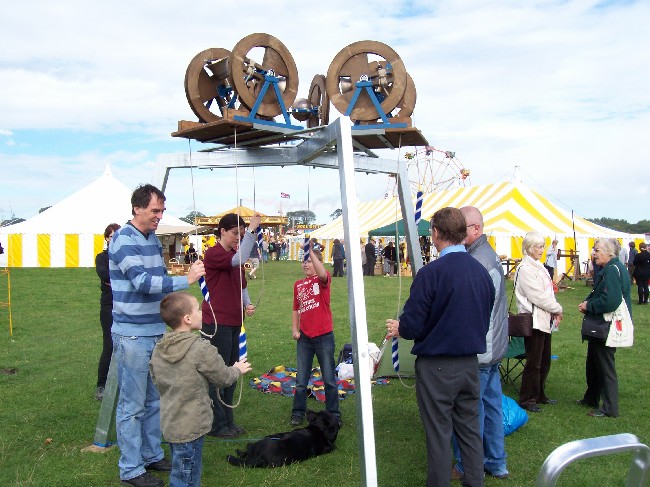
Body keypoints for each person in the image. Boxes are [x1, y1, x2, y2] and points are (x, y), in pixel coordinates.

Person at [385, 207, 495, 487]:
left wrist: (402, 328)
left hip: (438, 366)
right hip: (470, 363)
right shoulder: (481, 272)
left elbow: (412, 324)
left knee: (439, 435)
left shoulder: (431, 273)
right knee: (470, 432)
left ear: (436, 233)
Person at [109, 184, 205, 487]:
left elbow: (159, 279)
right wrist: (185, 281)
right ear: (137, 208)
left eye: (162, 210)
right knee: (132, 405)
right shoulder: (123, 239)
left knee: (154, 400)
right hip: (132, 336)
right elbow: (142, 282)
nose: (159, 216)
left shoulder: (150, 239)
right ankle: (131, 468)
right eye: (155, 211)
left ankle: (151, 454)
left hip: (153, 332)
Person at [150, 291, 251, 487]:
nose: (202, 312)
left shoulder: (159, 348)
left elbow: (156, 378)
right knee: (186, 478)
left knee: (181, 468)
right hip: (192, 426)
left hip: (171, 423)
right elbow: (223, 377)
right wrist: (237, 369)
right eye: (198, 309)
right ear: (187, 319)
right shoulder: (201, 348)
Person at [451, 206, 509, 480]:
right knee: (492, 404)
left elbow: (472, 309)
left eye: (462, 227)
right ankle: (496, 462)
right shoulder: (487, 255)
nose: (458, 233)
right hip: (493, 345)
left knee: (470, 411)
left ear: (476, 229)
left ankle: (467, 466)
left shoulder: (478, 261)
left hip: (481, 348)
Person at [201, 212, 260, 438]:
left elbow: (242, 284)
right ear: (222, 231)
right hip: (217, 323)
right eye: (236, 233)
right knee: (219, 374)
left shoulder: (235, 254)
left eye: (242, 234)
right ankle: (217, 425)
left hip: (235, 323)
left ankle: (228, 420)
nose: (238, 238)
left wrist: (248, 303)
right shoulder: (214, 254)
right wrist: (253, 232)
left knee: (233, 373)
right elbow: (238, 261)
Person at [578, 238, 631, 417]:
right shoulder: (611, 268)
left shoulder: (612, 270)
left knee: (605, 366)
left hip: (605, 325)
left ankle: (610, 408)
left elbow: (611, 301)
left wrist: (589, 306)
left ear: (609, 252)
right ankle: (591, 397)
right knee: (593, 362)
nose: (594, 253)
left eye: (598, 250)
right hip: (600, 326)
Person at [290, 244, 341, 427]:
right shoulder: (298, 284)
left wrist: (311, 251)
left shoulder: (322, 280)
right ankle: (298, 412)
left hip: (324, 336)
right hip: (304, 338)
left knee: (329, 378)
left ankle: (333, 413)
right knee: (301, 379)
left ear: (317, 263)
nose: (305, 264)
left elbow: (322, 274)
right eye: (304, 261)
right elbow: (296, 309)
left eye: (309, 261)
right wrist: (295, 329)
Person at [514, 231, 563, 413]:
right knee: (534, 361)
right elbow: (538, 296)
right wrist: (557, 308)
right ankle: (527, 398)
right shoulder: (525, 268)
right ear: (528, 247)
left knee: (544, 360)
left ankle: (540, 394)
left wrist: (553, 310)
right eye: (538, 246)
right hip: (533, 320)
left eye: (542, 246)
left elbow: (547, 293)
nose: (541, 250)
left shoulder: (538, 267)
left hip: (543, 319)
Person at [94, 222, 121, 401]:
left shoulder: (124, 255)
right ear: (106, 238)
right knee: (110, 345)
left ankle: (122, 382)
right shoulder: (102, 257)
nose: (115, 239)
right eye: (112, 236)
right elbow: (105, 276)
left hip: (126, 304)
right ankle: (101, 385)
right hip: (109, 305)